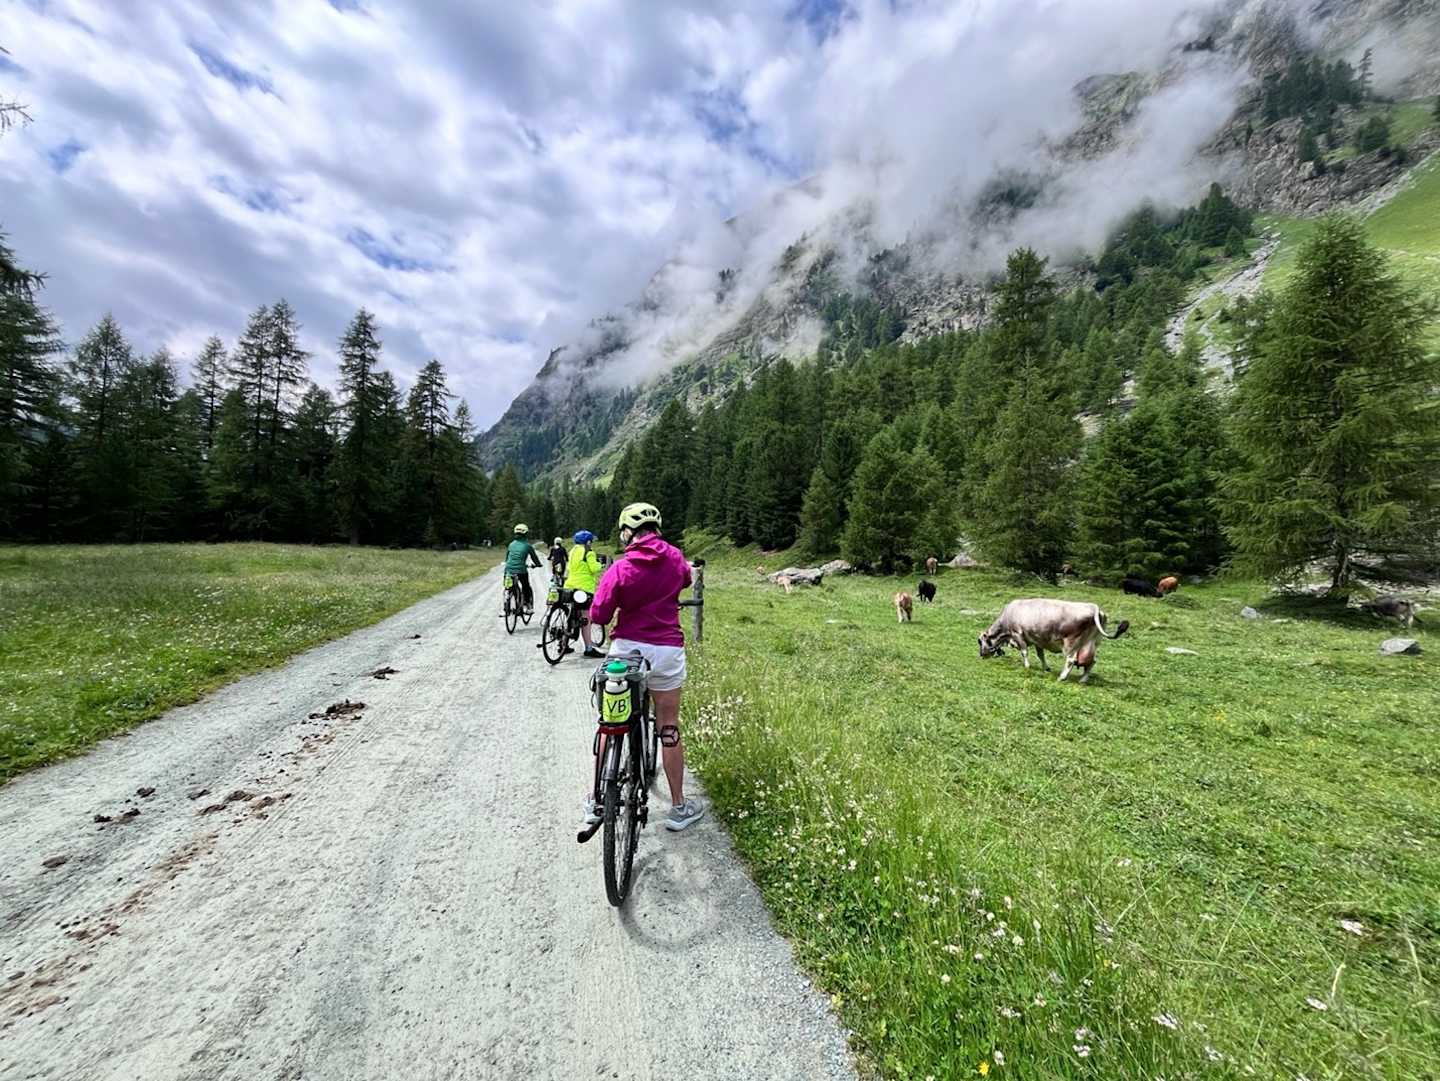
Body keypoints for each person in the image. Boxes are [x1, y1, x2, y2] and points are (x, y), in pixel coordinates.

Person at [585, 502, 704, 832]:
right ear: (657, 529)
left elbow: (599, 615)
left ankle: (596, 800)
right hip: (667, 649)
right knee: (668, 725)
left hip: (627, 652)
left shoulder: (620, 568)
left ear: (627, 533)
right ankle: (679, 807)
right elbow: (683, 581)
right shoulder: (676, 557)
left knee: (611, 722)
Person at [563, 530, 604, 658]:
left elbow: (569, 568)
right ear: (588, 542)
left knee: (571, 616)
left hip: (569, 586)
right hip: (584, 588)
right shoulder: (589, 552)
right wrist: (601, 564)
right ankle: (588, 648)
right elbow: (594, 568)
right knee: (586, 618)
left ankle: (563, 644)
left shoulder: (573, 551)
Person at [504, 524, 542, 612]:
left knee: (508, 586)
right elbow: (534, 558)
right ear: (526, 534)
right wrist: (538, 564)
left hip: (508, 569)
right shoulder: (528, 546)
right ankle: (528, 605)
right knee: (526, 586)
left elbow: (507, 558)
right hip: (521, 569)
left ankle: (506, 605)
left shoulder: (511, 544)